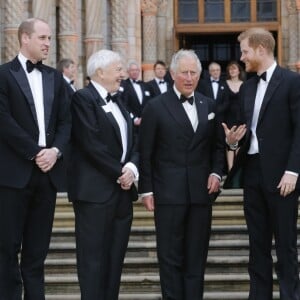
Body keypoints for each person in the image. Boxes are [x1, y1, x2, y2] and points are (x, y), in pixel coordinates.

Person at [139, 49, 224, 300]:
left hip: (200, 195)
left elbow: (217, 146)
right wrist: (146, 189)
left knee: (196, 260)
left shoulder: (208, 104)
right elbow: (145, 152)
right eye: (184, 72)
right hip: (168, 195)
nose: (189, 78)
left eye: (194, 72)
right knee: (170, 259)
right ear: (173, 74)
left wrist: (217, 174)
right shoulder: (155, 107)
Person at [222, 27, 300, 299]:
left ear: (261, 49)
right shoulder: (248, 86)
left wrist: (293, 171)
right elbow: (246, 133)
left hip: (283, 178)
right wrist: (232, 142)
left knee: (286, 246)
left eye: (244, 51)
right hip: (252, 174)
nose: (241, 58)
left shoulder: (292, 81)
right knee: (257, 247)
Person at [0, 18, 71, 300]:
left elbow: (67, 122)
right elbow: (3, 121)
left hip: (47, 176)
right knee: (6, 250)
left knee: (37, 253)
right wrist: (35, 151)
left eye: (50, 38)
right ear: (24, 39)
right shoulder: (3, 75)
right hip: (13, 177)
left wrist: (55, 151)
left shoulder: (55, 77)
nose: (47, 43)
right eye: (42, 37)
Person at [67, 49, 139, 300]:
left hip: (122, 193)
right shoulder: (82, 99)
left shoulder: (120, 99)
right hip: (94, 195)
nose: (123, 74)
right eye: (118, 69)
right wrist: (119, 171)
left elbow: (133, 142)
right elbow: (90, 143)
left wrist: (131, 169)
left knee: (114, 260)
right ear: (100, 72)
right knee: (92, 261)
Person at [223, 61, 244, 171]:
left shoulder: (244, 84)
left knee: (239, 142)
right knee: (230, 142)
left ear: (239, 71)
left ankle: (238, 169)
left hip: (241, 116)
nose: (232, 71)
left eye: (234, 69)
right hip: (229, 116)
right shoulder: (224, 83)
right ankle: (231, 169)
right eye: (230, 69)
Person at [119, 60, 151, 126]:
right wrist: (134, 118)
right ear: (128, 72)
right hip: (131, 123)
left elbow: (149, 103)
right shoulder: (123, 84)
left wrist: (145, 117)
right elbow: (123, 104)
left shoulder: (144, 85)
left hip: (145, 122)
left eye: (136, 70)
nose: (135, 72)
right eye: (132, 70)